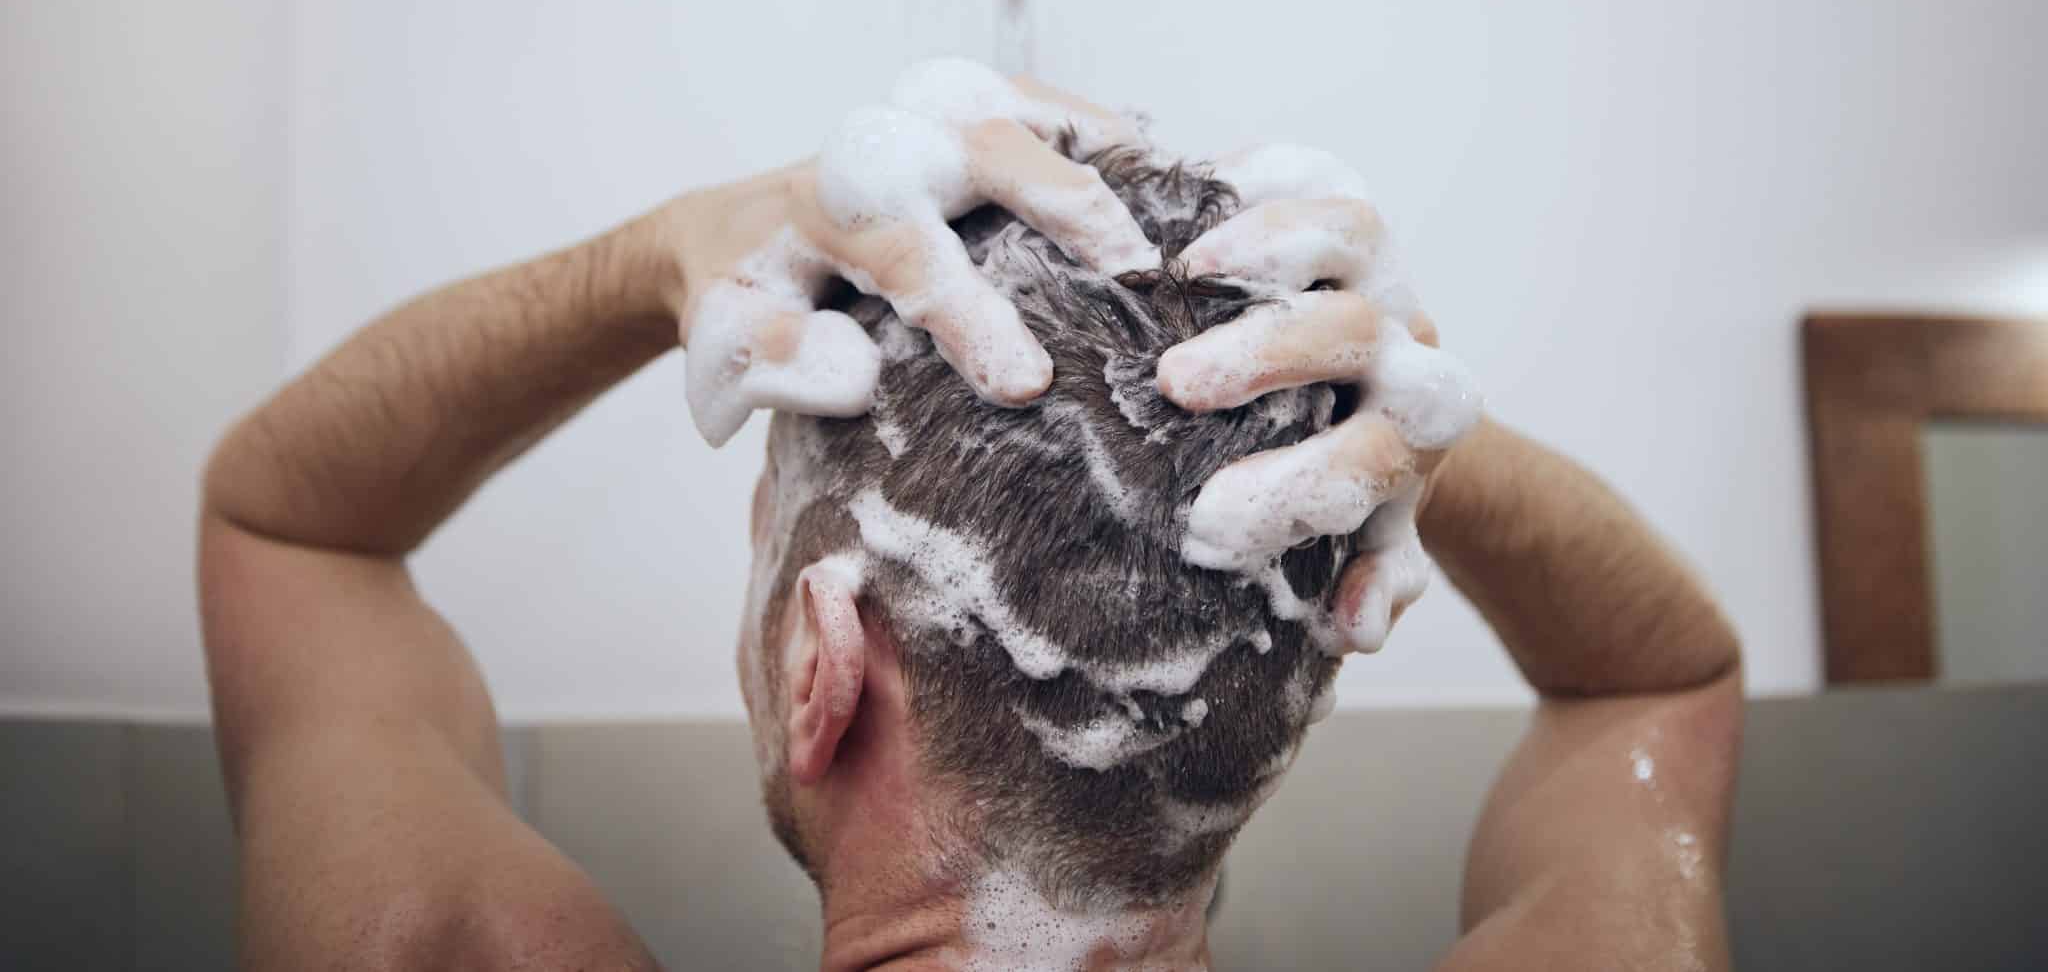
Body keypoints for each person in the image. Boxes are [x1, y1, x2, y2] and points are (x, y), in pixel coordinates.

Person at [200, 68, 1742, 970]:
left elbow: (291, 527)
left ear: (822, 669)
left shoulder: (436, 946)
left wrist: (660, 257)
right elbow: (1657, 677)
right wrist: (1407, 426)